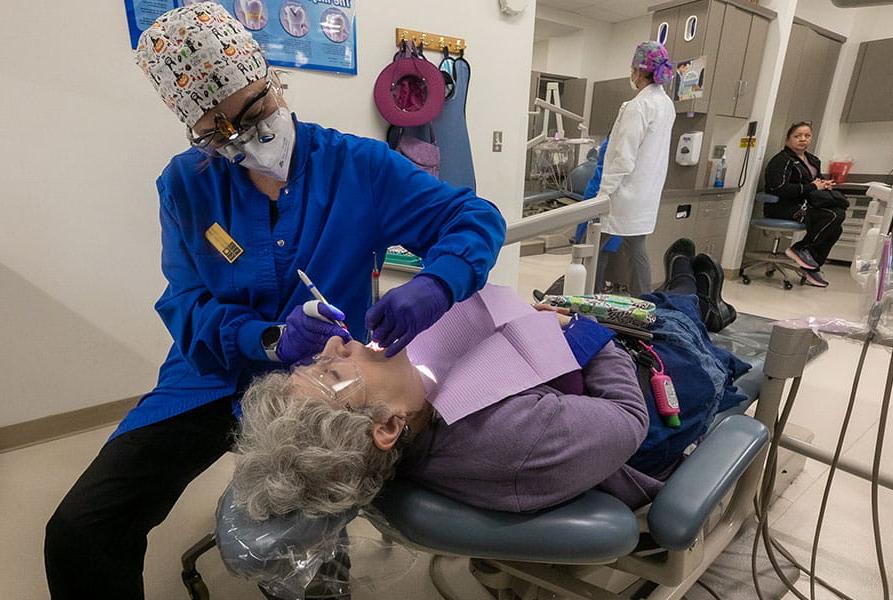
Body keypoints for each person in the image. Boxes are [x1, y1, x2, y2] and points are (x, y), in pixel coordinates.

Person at [43, 4, 505, 599]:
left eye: (253, 110)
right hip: (213, 374)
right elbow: (184, 304)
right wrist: (266, 339)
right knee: (81, 528)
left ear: (272, 78)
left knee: (309, 561)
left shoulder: (356, 167)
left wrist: (437, 283)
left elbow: (472, 216)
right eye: (216, 131)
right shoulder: (186, 184)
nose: (242, 138)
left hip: (322, 385)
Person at [230, 240, 749, 520]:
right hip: (652, 402)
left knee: (638, 302)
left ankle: (690, 288)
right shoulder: (509, 437)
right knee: (673, 321)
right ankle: (695, 294)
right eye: (332, 370)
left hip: (564, 375)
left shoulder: (413, 405)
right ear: (385, 428)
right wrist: (589, 337)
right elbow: (630, 420)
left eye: (314, 359)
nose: (331, 344)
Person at [586, 41, 676, 295]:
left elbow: (623, 157)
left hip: (623, 193)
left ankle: (587, 299)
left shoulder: (639, 106)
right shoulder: (665, 104)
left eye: (633, 68)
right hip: (645, 194)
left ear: (639, 70)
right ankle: (644, 303)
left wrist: (604, 193)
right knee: (636, 250)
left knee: (592, 246)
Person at [765, 121, 846, 288]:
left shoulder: (813, 160)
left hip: (806, 204)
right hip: (784, 207)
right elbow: (779, 188)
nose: (803, 139)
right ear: (788, 139)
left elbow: (815, 182)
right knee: (831, 216)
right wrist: (812, 187)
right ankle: (802, 249)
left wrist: (824, 184)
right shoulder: (782, 160)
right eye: (798, 136)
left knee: (837, 224)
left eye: (807, 136)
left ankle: (812, 263)